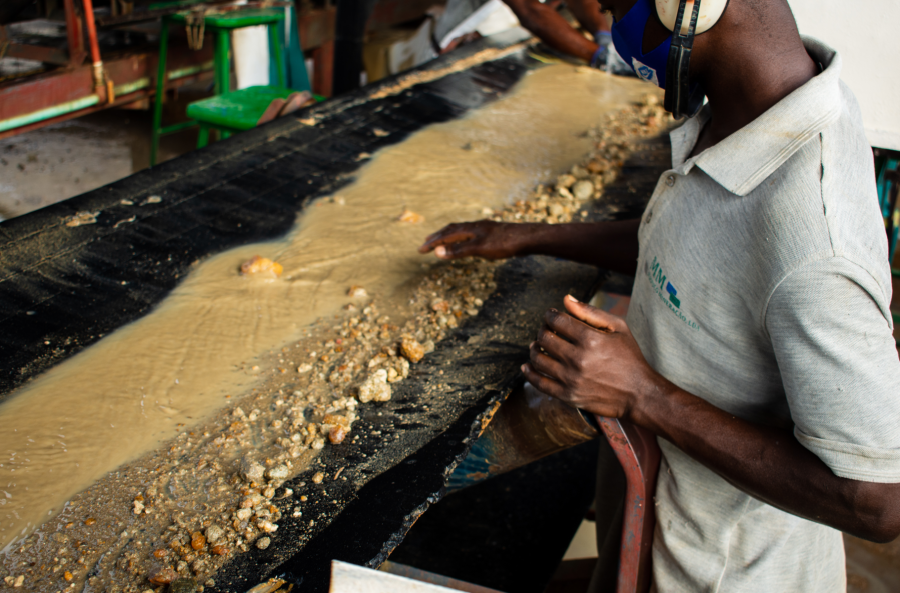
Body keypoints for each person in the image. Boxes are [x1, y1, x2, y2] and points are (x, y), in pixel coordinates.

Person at [419, 0, 900, 591]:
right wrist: (525, 237)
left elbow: (877, 503)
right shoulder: (754, 109)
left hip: (717, 573)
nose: (612, 30)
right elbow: (690, 247)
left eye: (616, 5)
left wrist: (641, 393)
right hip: (651, 528)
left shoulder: (816, 244)